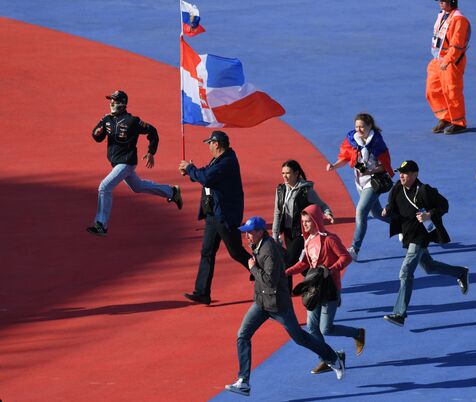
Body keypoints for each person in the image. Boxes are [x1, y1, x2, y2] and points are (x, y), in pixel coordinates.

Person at [225, 216, 345, 396]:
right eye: (246, 233)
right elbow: (283, 256)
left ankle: (333, 357)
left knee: (299, 338)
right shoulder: (260, 245)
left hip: (278, 304)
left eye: (250, 232)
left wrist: (253, 268)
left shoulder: (268, 250)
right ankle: (244, 381)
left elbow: (270, 281)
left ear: (259, 232)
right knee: (243, 334)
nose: (247, 236)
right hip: (262, 302)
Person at [382, 160, 469, 327]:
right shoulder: (397, 188)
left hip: (420, 235)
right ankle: (460, 273)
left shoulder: (424, 191)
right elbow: (392, 204)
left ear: (415, 175)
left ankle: (400, 313)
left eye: (405, 173)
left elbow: (444, 205)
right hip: (407, 234)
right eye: (401, 172)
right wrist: (387, 210)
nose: (401, 175)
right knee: (429, 267)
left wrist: (429, 215)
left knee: (405, 272)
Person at [87, 90, 182, 236]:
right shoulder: (106, 119)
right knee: (137, 187)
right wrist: (97, 133)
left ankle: (101, 224)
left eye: (114, 100)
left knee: (104, 187)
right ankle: (172, 191)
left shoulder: (133, 121)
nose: (111, 102)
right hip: (116, 163)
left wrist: (151, 152)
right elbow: (97, 136)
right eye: (110, 100)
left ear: (122, 103)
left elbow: (153, 132)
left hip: (126, 162)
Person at [286, 205, 365, 375]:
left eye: (308, 221)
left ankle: (357, 333)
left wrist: (330, 269)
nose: (305, 225)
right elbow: (305, 263)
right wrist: (285, 271)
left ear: (316, 221)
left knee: (326, 329)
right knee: (312, 327)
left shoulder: (330, 239)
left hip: (330, 290)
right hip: (314, 290)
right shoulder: (307, 241)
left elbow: (346, 257)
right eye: (303, 222)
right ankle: (326, 359)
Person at [179, 130, 252, 305]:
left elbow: (207, 178)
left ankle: (266, 275)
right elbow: (206, 173)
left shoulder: (226, 162)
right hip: (213, 214)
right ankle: (202, 292)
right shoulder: (220, 159)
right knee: (207, 252)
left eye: (210, 144)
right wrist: (191, 171)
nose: (209, 147)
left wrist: (190, 169)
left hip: (224, 215)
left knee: (236, 252)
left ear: (216, 144)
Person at [326, 113, 394, 261]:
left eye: (362, 126)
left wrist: (370, 170)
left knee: (361, 211)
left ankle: (354, 249)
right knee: (377, 214)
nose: (359, 129)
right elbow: (345, 157)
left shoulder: (377, 142)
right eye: (357, 126)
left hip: (373, 181)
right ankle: (405, 223)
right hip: (359, 182)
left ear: (369, 126)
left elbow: (385, 166)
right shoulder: (352, 139)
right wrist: (333, 166)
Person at [273, 160, 334, 289]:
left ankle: (286, 292)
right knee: (301, 265)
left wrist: (327, 213)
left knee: (287, 262)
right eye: (283, 173)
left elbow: (321, 204)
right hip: (288, 233)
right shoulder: (280, 190)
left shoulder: (306, 191)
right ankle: (320, 282)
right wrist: (275, 233)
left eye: (288, 173)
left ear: (296, 173)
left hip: (301, 232)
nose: (285, 176)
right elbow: (277, 213)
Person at [427, 0, 471, 135]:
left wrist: (449, 60)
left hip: (450, 61)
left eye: (443, 1)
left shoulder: (459, 20)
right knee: (433, 90)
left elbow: (457, 44)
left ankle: (458, 122)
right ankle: (445, 117)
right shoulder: (443, 15)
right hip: (437, 59)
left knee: (452, 92)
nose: (440, 3)